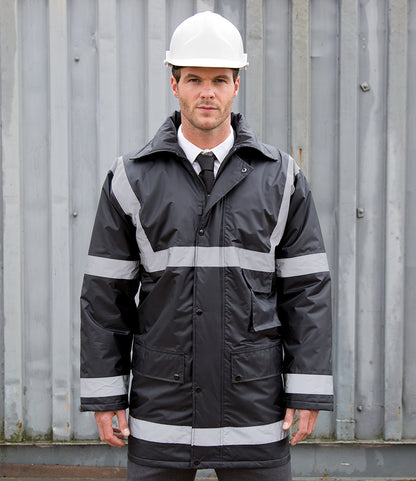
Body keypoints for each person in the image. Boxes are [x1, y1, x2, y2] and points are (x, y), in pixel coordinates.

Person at [80, 11, 333, 481]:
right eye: (194, 79)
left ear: (236, 85)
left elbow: (307, 290)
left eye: (219, 80)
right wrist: (106, 394)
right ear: (174, 84)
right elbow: (105, 295)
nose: (207, 93)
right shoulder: (131, 178)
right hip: (164, 405)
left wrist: (307, 390)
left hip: (253, 406)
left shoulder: (280, 178)